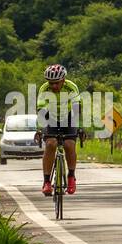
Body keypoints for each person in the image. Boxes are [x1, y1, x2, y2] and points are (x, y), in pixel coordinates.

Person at [35, 64, 82, 196]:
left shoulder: (71, 87)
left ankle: (71, 177)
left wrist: (79, 127)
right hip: (51, 117)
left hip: (69, 117)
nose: (54, 86)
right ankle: (46, 182)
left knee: (69, 144)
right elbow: (41, 110)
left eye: (56, 83)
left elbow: (77, 107)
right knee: (50, 144)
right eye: (51, 83)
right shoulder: (44, 89)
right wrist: (40, 128)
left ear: (63, 80)